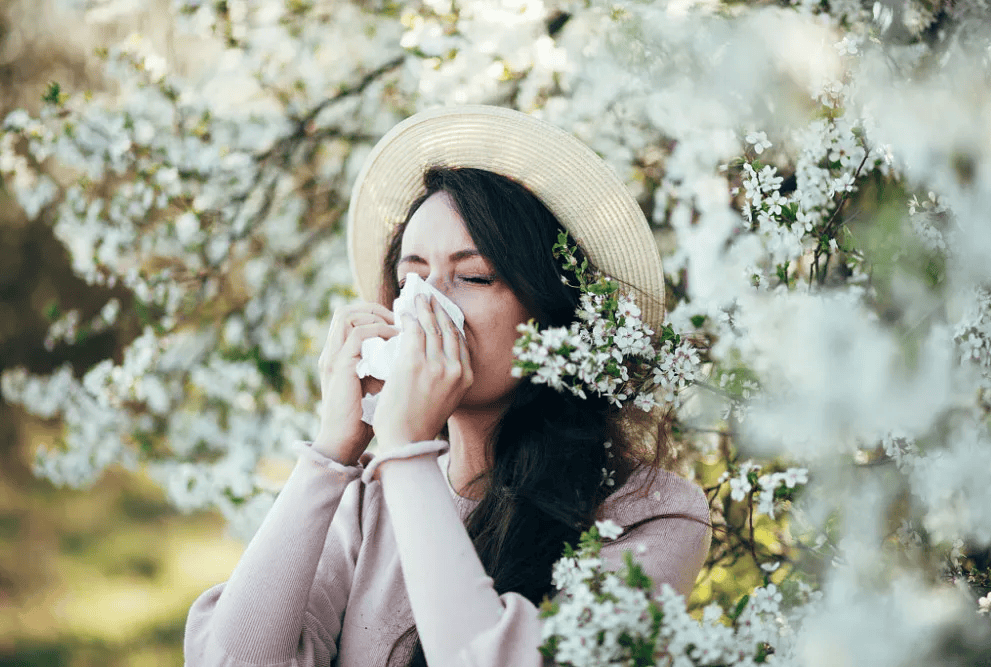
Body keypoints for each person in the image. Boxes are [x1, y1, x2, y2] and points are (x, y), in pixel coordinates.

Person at [183, 105, 711, 667]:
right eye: (411, 279)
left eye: (474, 276)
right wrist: (331, 451)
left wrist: (407, 453)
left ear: (554, 315)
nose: (426, 304)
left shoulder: (651, 514)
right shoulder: (367, 501)